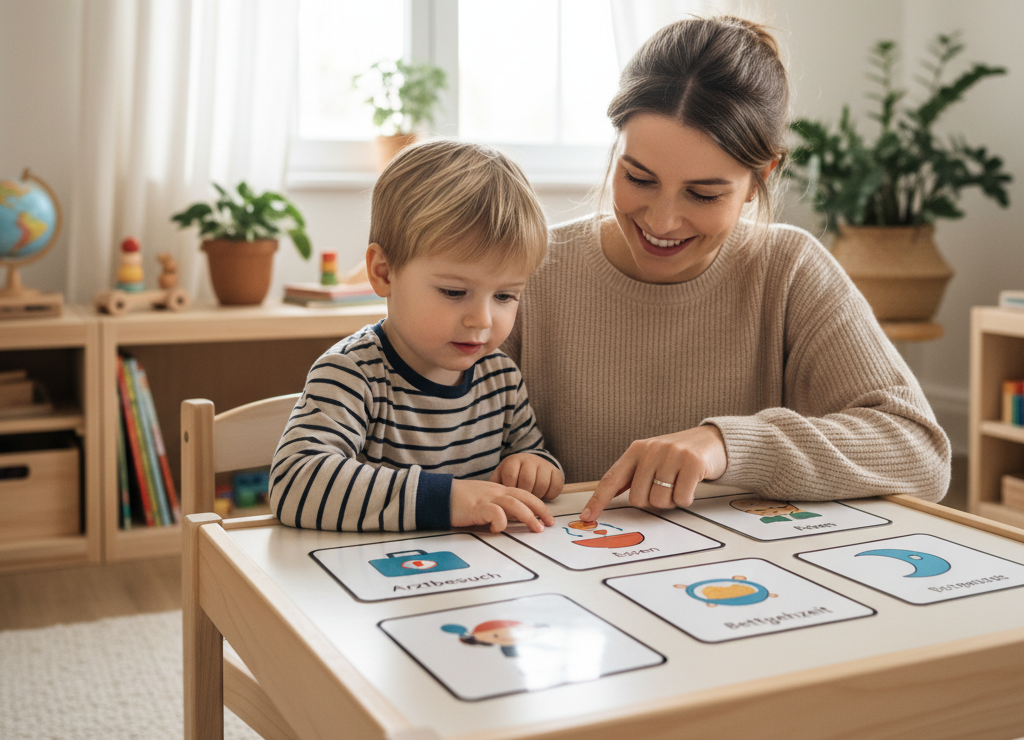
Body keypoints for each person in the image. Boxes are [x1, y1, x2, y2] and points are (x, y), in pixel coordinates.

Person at [502, 16, 951, 522]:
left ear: (760, 179)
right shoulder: (529, 269)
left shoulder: (789, 270)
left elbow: (921, 453)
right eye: (639, 178)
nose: (662, 222)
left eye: (703, 194)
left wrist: (729, 444)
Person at [271, 139, 563, 533]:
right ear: (384, 273)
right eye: (454, 292)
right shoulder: (352, 373)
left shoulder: (501, 378)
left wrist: (536, 467)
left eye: (505, 296)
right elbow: (295, 484)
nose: (481, 319)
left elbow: (532, 453)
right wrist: (447, 499)